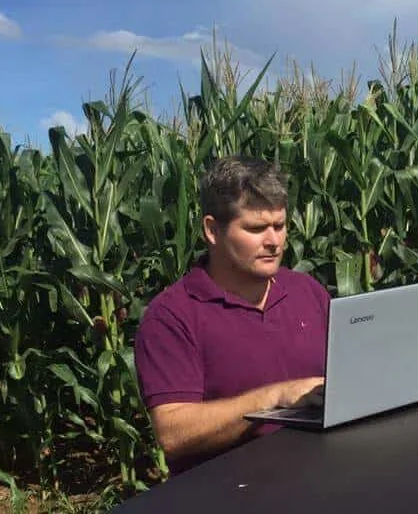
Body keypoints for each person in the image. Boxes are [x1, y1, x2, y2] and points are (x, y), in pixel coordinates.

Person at [134, 155, 329, 475]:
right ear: (212, 230)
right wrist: (275, 398)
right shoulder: (171, 317)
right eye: (255, 228)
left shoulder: (307, 291)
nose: (273, 241)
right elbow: (173, 433)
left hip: (323, 475)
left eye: (279, 226)